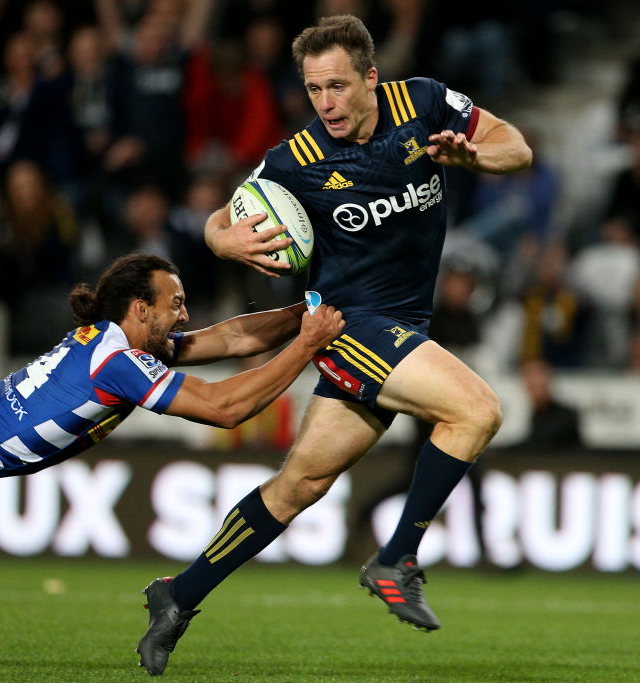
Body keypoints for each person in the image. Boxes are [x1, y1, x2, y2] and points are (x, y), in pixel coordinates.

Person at [136, 15, 531, 676]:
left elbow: (514, 146)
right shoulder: (297, 160)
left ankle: (177, 594)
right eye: (314, 89)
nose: (326, 103)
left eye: (339, 86)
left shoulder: (424, 104)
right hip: (351, 326)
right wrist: (221, 239)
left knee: (300, 485)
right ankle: (397, 557)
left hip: (404, 326)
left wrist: (474, 155)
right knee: (478, 410)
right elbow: (222, 215)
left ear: (371, 78)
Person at [0, 253, 344, 580]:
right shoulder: (121, 364)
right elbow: (226, 408)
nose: (185, 316)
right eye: (176, 305)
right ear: (141, 309)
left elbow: (231, 336)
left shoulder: (103, 339)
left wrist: (299, 317)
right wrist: (306, 347)